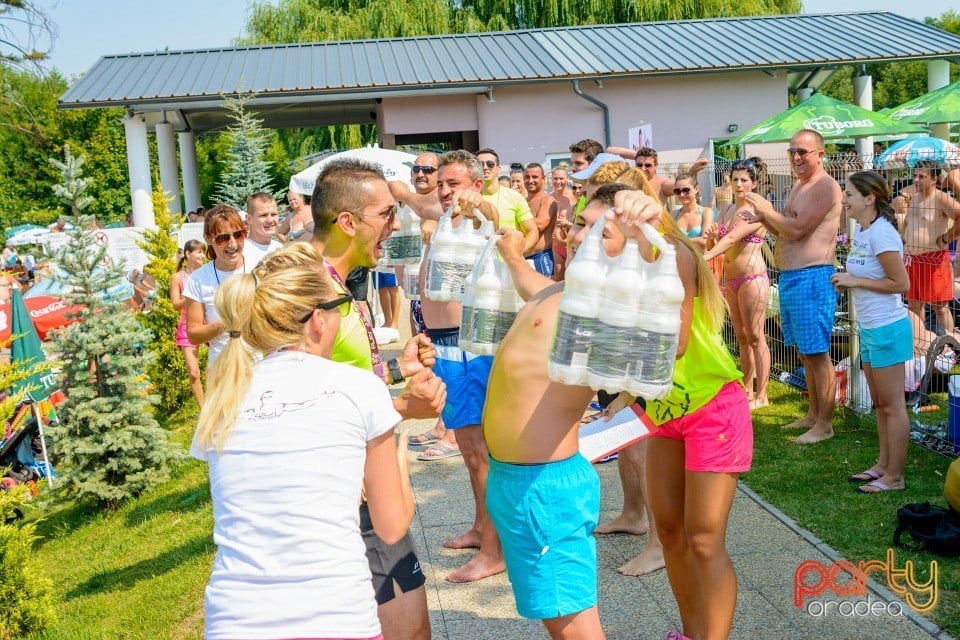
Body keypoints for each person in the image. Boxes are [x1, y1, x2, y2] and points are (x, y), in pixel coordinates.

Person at [191, 243, 414, 640]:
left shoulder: (221, 399)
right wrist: (402, 464)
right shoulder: (358, 387)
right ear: (317, 321)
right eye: (338, 309)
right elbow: (392, 526)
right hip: (334, 613)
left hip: (234, 618)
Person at [485, 184, 663, 639]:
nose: (579, 236)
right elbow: (533, 286)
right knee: (554, 613)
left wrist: (651, 231)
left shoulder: (606, 304)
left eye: (600, 233)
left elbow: (658, 283)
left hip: (545, 487)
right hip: (513, 481)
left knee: (574, 626)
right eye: (583, 224)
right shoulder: (562, 293)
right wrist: (511, 257)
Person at [310, 157, 447, 640]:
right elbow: (306, 405)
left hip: (365, 478)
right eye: (387, 214)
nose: (396, 225)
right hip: (351, 489)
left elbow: (339, 374)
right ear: (348, 222)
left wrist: (394, 368)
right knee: (410, 631)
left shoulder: (333, 281)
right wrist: (403, 410)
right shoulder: (311, 291)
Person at [420, 150, 505, 583]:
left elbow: (506, 225)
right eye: (442, 184)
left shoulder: (483, 221)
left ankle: (495, 550)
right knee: (471, 454)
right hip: (444, 342)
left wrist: (482, 206)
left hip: (468, 344)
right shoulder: (443, 225)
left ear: (476, 184)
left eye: (454, 184)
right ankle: (480, 528)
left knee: (479, 451)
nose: (446, 191)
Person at [742, 129, 842, 443]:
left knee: (817, 353)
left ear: (820, 155)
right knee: (804, 353)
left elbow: (797, 230)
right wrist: (761, 213)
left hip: (812, 278)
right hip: (792, 277)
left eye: (803, 152)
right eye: (792, 152)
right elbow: (782, 228)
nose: (796, 157)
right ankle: (813, 415)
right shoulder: (801, 184)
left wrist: (767, 211)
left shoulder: (825, 186)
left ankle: (824, 424)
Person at [830, 171, 911, 494]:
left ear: (869, 198)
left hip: (888, 327)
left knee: (892, 405)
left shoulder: (882, 234)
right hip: (870, 327)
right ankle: (882, 465)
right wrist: (844, 276)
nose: (844, 200)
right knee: (880, 402)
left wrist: (855, 281)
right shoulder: (862, 231)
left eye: (848, 194)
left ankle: (896, 477)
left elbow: (901, 284)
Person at [703, 160, 771, 410]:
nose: (739, 184)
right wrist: (710, 242)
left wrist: (706, 256)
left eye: (744, 180)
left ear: (754, 183)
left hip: (752, 278)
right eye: (735, 179)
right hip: (731, 279)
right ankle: (747, 388)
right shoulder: (729, 208)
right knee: (742, 337)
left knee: (756, 336)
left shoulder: (758, 208)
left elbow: (732, 238)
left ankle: (762, 394)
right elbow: (720, 243)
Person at [900, 160, 960, 334]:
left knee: (940, 307)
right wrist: (902, 236)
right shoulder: (915, 196)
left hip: (934, 258)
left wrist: (945, 238)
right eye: (915, 176)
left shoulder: (940, 198)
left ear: (934, 179)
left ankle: (947, 348)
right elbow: (908, 220)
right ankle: (920, 343)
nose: (917, 180)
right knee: (913, 305)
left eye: (922, 177)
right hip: (912, 258)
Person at [185, 205, 248, 368]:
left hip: (261, 366)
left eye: (239, 235)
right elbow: (193, 334)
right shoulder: (198, 279)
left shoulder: (259, 269)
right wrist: (226, 323)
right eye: (223, 238)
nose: (233, 244)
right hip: (222, 369)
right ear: (208, 238)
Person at [477, 149, 538, 252]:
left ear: (498, 169)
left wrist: (519, 253)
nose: (485, 167)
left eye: (490, 164)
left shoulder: (514, 197)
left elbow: (533, 231)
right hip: (479, 263)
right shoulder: (470, 199)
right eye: (480, 164)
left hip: (507, 264)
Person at [171, 239, 206, 407]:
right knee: (193, 372)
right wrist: (190, 295)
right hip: (187, 325)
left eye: (203, 252)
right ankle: (204, 409)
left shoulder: (206, 273)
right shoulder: (177, 277)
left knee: (218, 367)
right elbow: (175, 304)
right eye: (198, 252)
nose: (202, 255)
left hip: (208, 322)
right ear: (188, 254)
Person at [523, 162, 558, 277]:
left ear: (543, 179)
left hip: (541, 257)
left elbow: (540, 225)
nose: (530, 180)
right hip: (523, 257)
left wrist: (513, 225)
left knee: (545, 294)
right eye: (527, 177)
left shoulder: (548, 200)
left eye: (535, 177)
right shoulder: (522, 201)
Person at [671, 172, 714, 250]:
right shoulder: (673, 214)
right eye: (677, 191)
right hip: (679, 260)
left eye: (686, 190)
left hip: (700, 260)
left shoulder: (706, 212)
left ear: (696, 189)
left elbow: (704, 241)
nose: (681, 194)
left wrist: (678, 241)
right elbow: (668, 241)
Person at [242, 192, 282, 267]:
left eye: (274, 214)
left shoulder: (280, 248)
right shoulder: (241, 252)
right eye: (263, 215)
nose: (270, 220)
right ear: (249, 219)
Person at [551, 164, 574, 281]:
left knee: (572, 280)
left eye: (561, 178)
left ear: (567, 179)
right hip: (556, 247)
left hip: (571, 246)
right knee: (559, 281)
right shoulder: (549, 198)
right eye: (555, 178)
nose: (558, 181)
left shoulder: (574, 196)